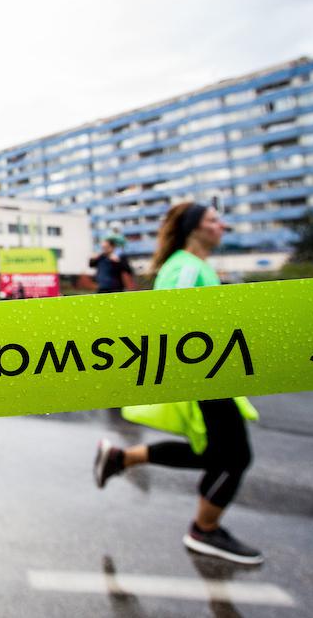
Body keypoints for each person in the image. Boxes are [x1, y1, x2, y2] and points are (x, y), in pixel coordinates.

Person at [94, 202, 261, 565]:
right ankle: (204, 530)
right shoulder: (185, 267)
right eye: (214, 220)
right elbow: (174, 318)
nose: (222, 225)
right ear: (193, 228)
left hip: (211, 373)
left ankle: (122, 458)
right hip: (203, 376)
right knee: (234, 456)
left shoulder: (194, 266)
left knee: (213, 453)